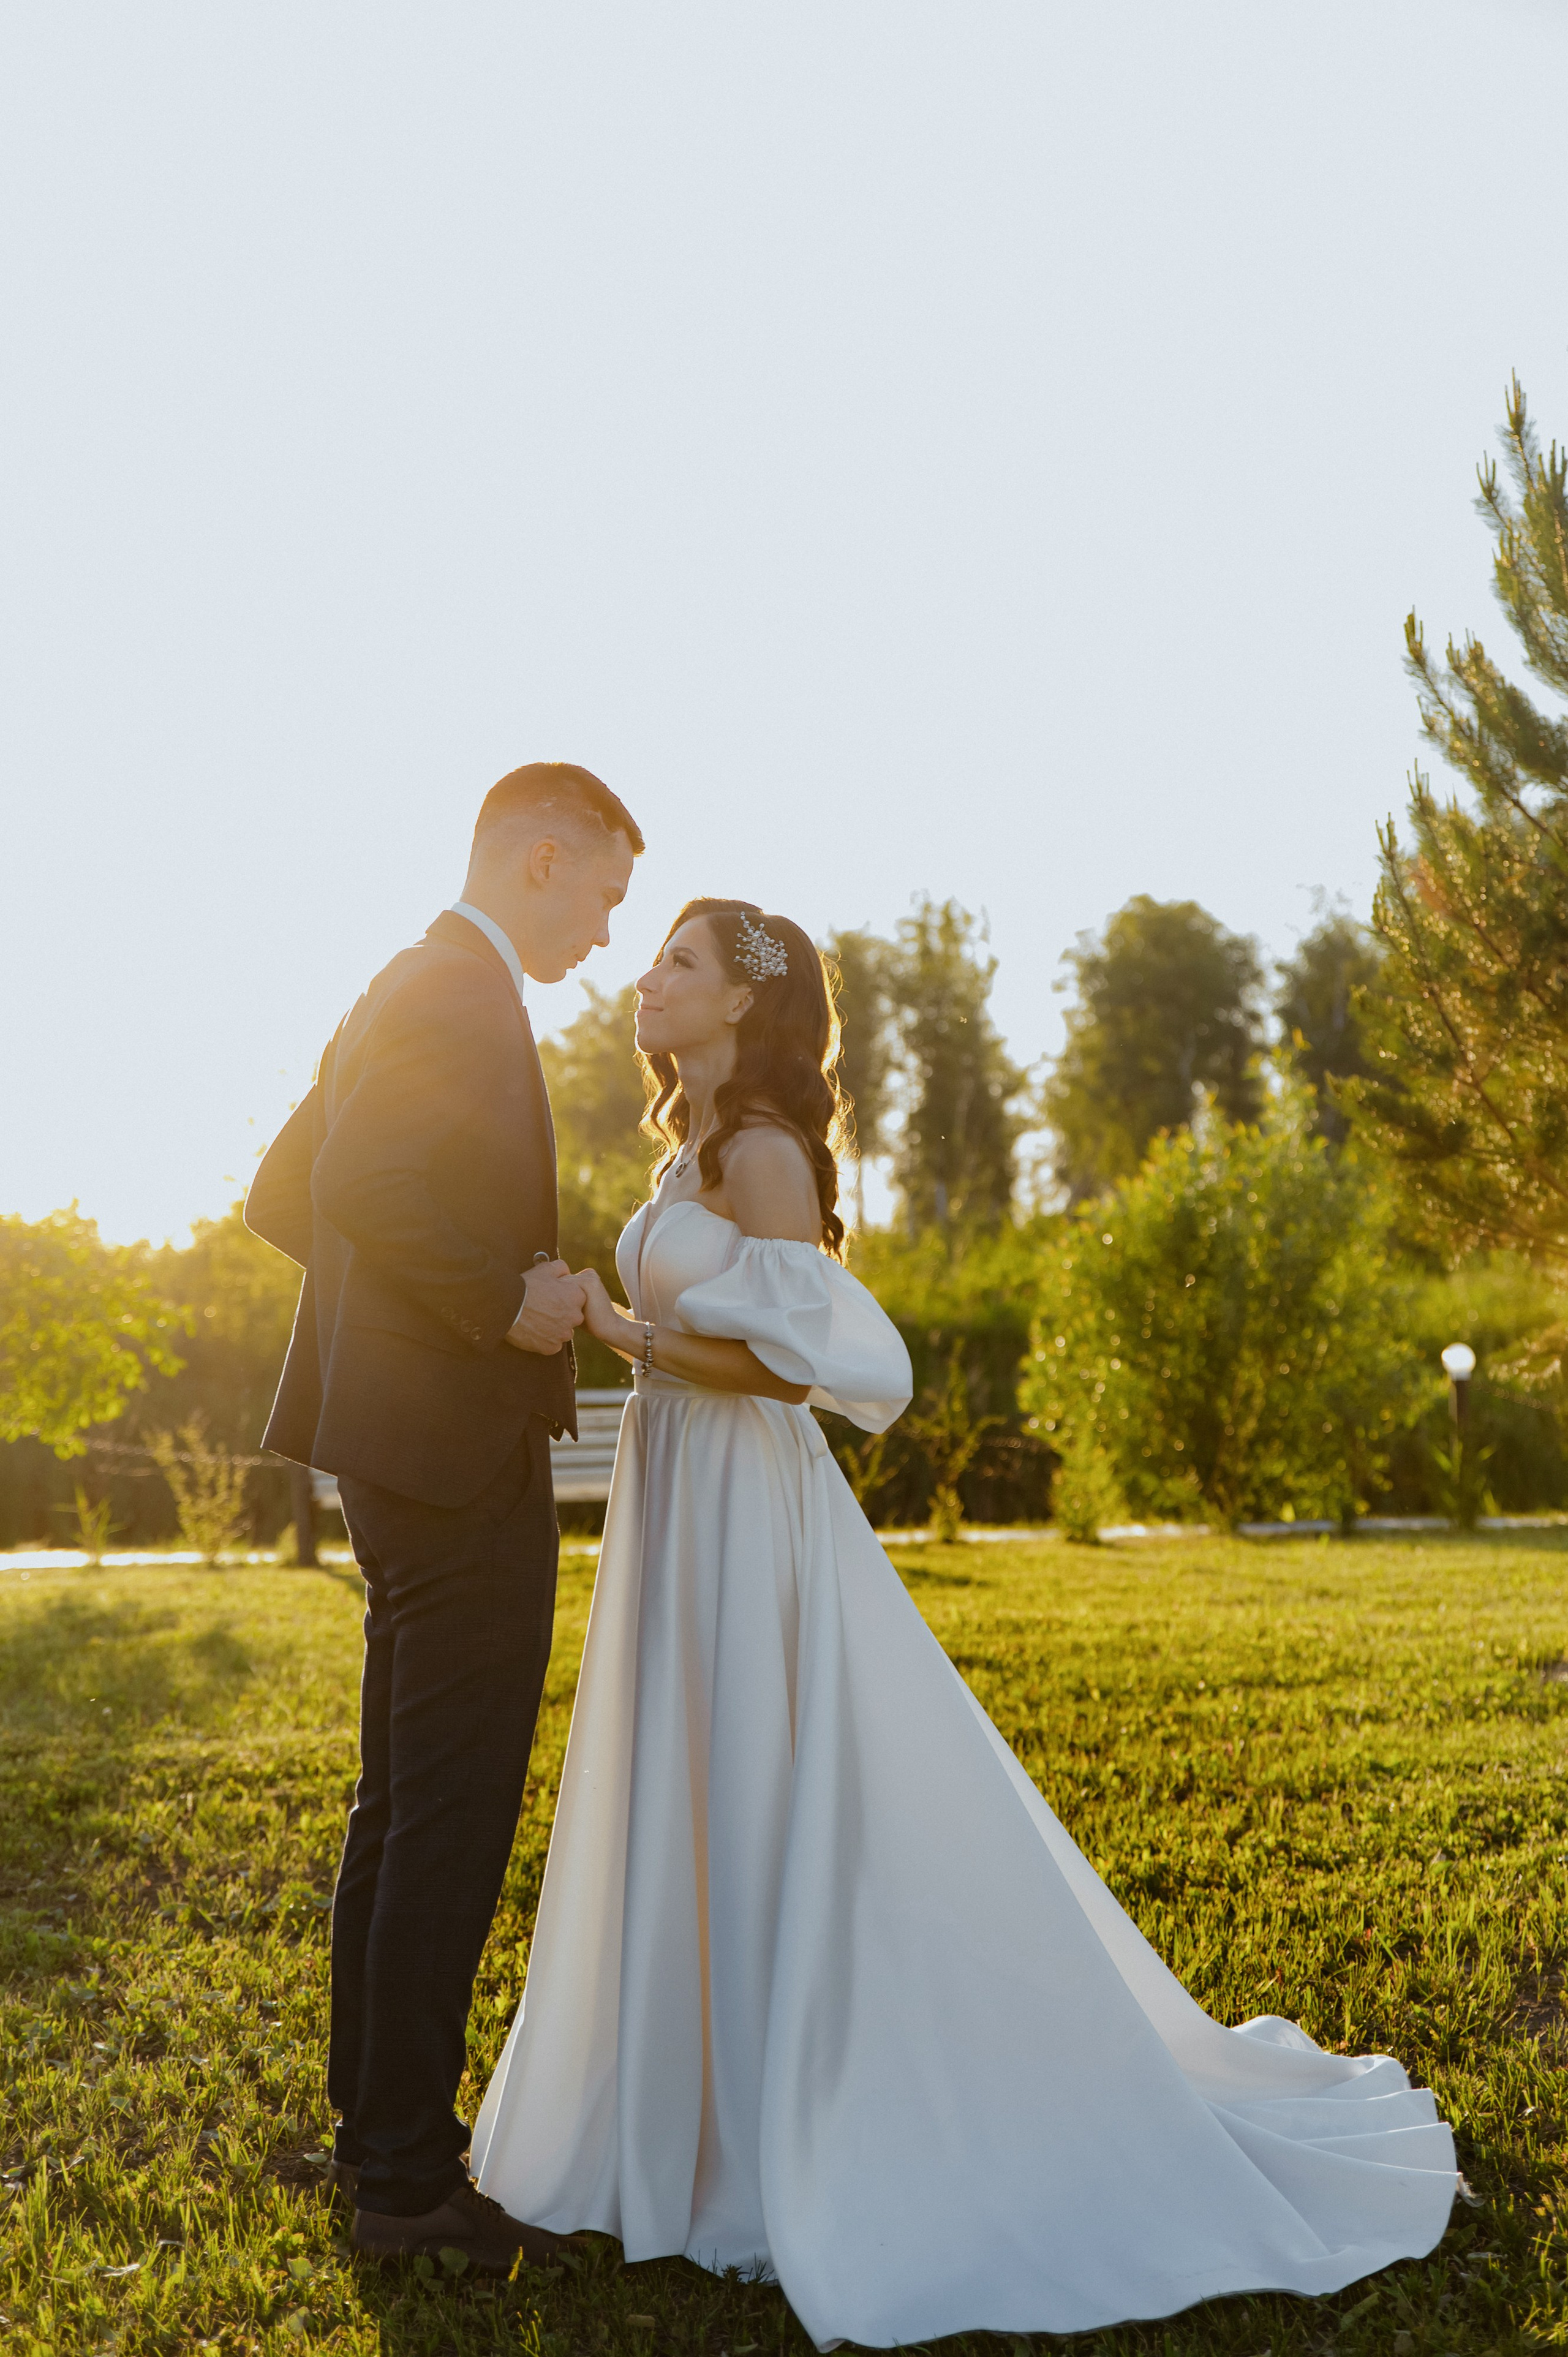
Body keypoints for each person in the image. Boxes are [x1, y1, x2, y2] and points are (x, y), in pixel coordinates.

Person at [472, 897, 1457, 2351]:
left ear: (741, 1002)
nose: (646, 978)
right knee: (685, 1773)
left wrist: (620, 1333)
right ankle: (681, 2118)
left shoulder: (761, 1153)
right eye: (656, 957)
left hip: (742, 1496)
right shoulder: (688, 1145)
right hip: (675, 1486)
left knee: (754, 1772)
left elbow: (790, 1368)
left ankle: (774, 2123)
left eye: (678, 961)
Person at [244, 761, 643, 2274]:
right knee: (451, 1810)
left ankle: (379, 2139)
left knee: (401, 1800)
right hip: (455, 1458)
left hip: (396, 1453)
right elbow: (352, 1178)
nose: (604, 933)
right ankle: (410, 2182)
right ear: (541, 857)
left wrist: (391, 1327)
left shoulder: (403, 979)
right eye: (603, 895)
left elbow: (287, 1192)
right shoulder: (457, 990)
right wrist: (494, 1300)